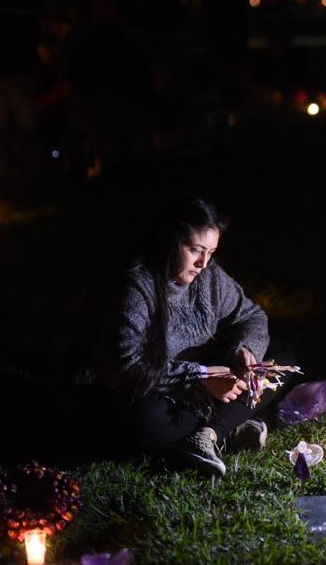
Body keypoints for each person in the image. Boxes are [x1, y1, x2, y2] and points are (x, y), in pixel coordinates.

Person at [101, 197, 279, 476]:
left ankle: (206, 435)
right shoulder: (137, 285)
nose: (203, 263)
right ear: (170, 241)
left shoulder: (210, 277)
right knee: (144, 418)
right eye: (195, 250)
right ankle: (224, 427)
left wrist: (243, 352)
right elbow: (127, 367)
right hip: (163, 392)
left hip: (209, 380)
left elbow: (252, 316)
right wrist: (199, 378)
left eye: (211, 251)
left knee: (279, 358)